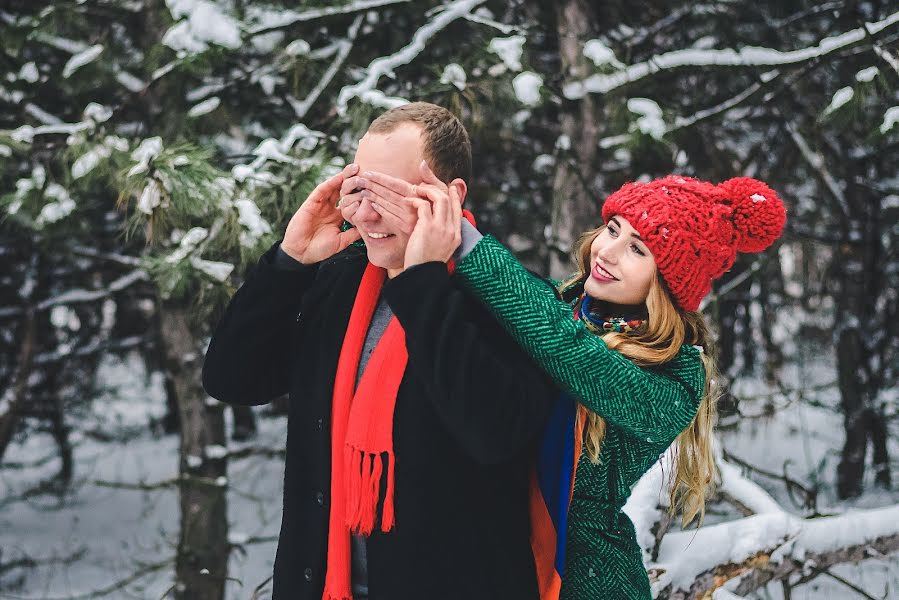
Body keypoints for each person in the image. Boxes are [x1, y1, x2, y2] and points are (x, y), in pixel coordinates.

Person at [349, 166, 787, 599]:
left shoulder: (675, 374)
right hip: (497, 557)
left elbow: (569, 350)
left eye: (638, 250)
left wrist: (463, 241)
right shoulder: (561, 306)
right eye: (613, 229)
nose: (608, 252)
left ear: (670, 283)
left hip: (588, 579)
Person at [201, 102, 556, 600]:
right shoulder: (340, 281)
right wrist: (288, 263)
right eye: (361, 189)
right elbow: (232, 380)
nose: (367, 214)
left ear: (448, 196)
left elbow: (494, 434)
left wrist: (423, 283)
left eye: (389, 194)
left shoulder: (509, 299)